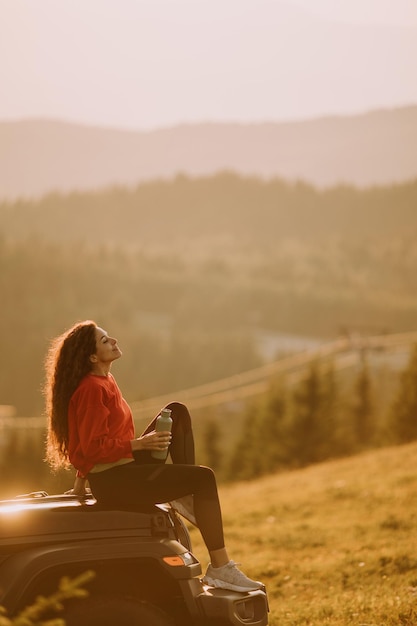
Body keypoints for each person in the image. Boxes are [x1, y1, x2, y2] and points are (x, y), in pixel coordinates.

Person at [44, 320, 263, 593]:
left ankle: (183, 496)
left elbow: (85, 441)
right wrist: (140, 445)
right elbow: (91, 448)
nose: (113, 340)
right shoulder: (92, 390)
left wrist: (80, 484)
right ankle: (220, 568)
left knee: (176, 411)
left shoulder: (105, 380)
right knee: (204, 478)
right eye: (104, 341)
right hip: (114, 481)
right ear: (92, 357)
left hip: (121, 468)